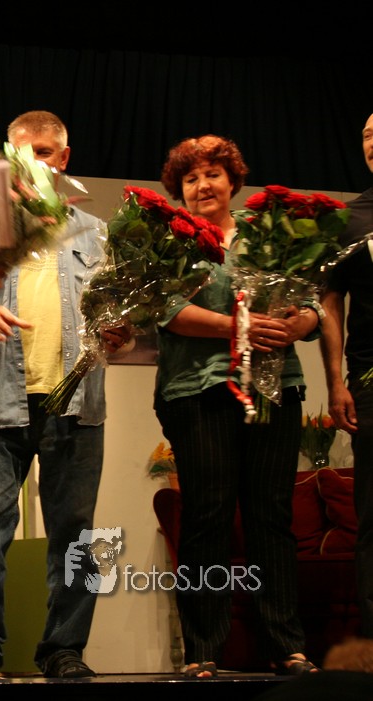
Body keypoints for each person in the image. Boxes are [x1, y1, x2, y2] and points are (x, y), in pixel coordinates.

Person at [0, 110, 127, 678]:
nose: (34, 163)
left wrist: (121, 333)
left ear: (64, 158)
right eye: (22, 154)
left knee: (75, 539)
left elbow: (118, 321)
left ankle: (64, 649)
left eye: (45, 152)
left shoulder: (96, 232)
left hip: (75, 403)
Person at [156, 134, 318, 677]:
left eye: (213, 175)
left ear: (232, 181)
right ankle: (203, 649)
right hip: (196, 391)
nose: (203, 185)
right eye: (191, 178)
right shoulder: (169, 238)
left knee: (272, 516)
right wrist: (239, 327)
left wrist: (298, 323)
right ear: (179, 189)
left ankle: (286, 646)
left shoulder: (269, 231)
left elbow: (312, 305)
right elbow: (166, 311)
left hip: (275, 386)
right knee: (207, 516)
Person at [320, 111, 373, 638]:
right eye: (366, 135)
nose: (372, 142)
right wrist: (336, 382)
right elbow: (330, 301)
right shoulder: (350, 218)